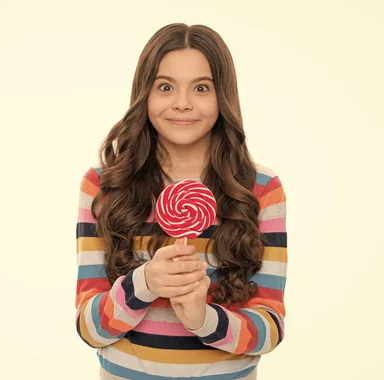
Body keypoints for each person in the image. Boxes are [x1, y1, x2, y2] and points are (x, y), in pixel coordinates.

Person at [74, 23, 287, 380]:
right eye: (165, 86)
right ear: (145, 93)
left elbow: (270, 329)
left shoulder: (260, 189)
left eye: (201, 87)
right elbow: (88, 327)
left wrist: (204, 319)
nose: (183, 102)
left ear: (224, 96)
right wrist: (145, 284)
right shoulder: (104, 185)